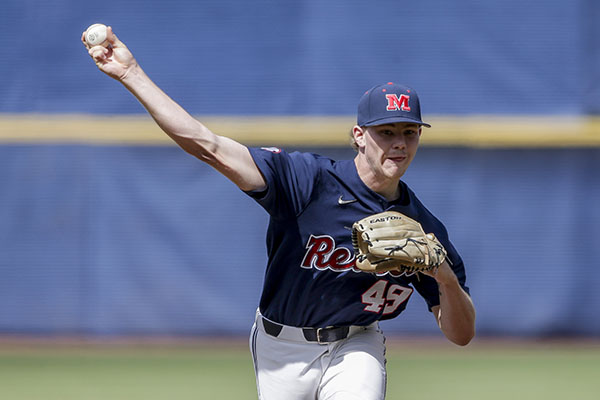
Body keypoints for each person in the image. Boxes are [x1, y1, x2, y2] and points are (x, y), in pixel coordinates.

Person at [82, 26, 476, 400]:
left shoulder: (423, 228)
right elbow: (209, 146)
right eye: (385, 132)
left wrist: (445, 281)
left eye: (409, 132)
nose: (399, 144)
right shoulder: (307, 180)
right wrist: (131, 74)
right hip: (280, 345)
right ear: (359, 136)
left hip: (357, 343)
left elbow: (460, 334)